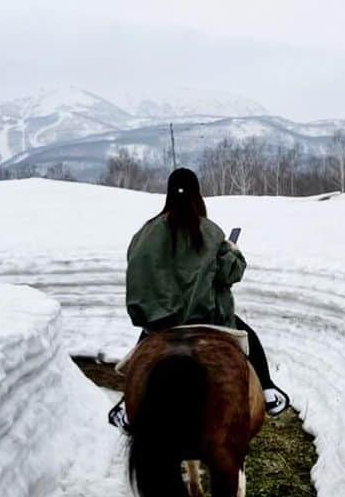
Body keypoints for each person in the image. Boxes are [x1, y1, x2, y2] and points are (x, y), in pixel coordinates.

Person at [108, 167, 289, 429]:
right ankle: (269, 391)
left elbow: (137, 271)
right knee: (250, 339)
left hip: (160, 323)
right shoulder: (210, 232)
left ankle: (127, 404)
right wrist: (234, 252)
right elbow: (230, 274)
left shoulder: (145, 234)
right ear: (198, 195)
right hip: (209, 319)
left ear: (168, 194)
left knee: (142, 358)